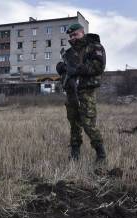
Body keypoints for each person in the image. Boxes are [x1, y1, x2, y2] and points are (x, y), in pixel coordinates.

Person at [56, 23, 107, 163]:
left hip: (86, 91)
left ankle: (101, 155)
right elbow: (66, 74)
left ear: (82, 33)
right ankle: (75, 154)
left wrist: (77, 69)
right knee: (74, 124)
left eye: (75, 34)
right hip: (72, 92)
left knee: (88, 124)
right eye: (70, 36)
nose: (72, 38)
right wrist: (61, 69)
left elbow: (98, 67)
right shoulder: (69, 53)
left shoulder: (94, 47)